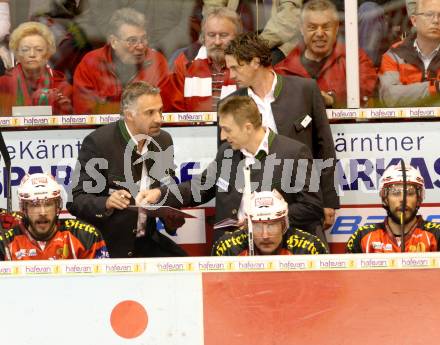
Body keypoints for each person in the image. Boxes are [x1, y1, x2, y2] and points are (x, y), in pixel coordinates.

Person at [136, 95, 324, 241]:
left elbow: (312, 207)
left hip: (278, 248)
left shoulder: (294, 152)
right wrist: (160, 194)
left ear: (248, 127)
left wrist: (265, 219)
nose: (223, 136)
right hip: (232, 248)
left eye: (227, 129)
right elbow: (199, 187)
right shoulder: (227, 152)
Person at [224, 32, 338, 246]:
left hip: (301, 206)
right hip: (255, 219)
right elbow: (227, 162)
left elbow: (324, 147)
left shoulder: (305, 89)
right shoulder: (230, 103)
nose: (231, 75)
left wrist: (328, 201)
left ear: (255, 62)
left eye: (235, 67)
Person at [67, 81, 187, 258]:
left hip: (147, 240)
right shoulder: (99, 143)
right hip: (108, 243)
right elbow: (76, 200)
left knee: (184, 269)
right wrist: (106, 203)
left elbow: (167, 188)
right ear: (129, 115)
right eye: (150, 113)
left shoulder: (163, 141)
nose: (159, 119)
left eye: (160, 110)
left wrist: (169, 218)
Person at [275, 0, 378, 107]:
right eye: (312, 27)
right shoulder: (283, 71)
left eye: (326, 27)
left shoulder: (356, 60)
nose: (319, 33)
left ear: (336, 28)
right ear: (301, 29)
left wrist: (333, 98)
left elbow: (366, 91)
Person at [72, 7, 170, 114]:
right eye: (132, 40)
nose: (141, 46)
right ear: (114, 42)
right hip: (102, 129)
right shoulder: (90, 63)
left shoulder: (157, 62)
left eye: (144, 39)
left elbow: (164, 109)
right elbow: (84, 112)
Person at [0, 173, 109, 261]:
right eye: (35, 205)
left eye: (48, 204)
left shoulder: (86, 236)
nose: (42, 212)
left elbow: (101, 283)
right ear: (24, 209)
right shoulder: (5, 242)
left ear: (57, 206)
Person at [346, 163, 440, 253]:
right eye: (395, 193)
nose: (402, 199)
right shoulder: (363, 236)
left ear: (419, 198)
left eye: (410, 193)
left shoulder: (436, 234)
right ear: (385, 198)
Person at [165, 7, 241, 112]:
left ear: (236, 37)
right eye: (211, 35)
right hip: (192, 128)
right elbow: (174, 113)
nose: (217, 42)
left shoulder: (247, 65)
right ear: (203, 37)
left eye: (223, 35)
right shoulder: (185, 61)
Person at [212, 190, 328, 256]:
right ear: (247, 227)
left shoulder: (309, 247)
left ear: (284, 225)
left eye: (272, 225)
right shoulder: (227, 247)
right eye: (257, 227)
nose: (265, 235)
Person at [0, 21, 73, 116]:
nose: (32, 55)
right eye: (25, 50)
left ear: (48, 53)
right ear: (17, 53)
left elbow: (69, 126)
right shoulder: (3, 85)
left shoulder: (62, 88)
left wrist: (65, 110)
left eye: (39, 49)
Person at [379, 0, 440, 107]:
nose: (436, 20)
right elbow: (390, 97)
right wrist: (435, 88)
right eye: (429, 14)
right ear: (414, 20)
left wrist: (410, 94)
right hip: (404, 123)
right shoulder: (394, 55)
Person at [202, 0, 303, 62]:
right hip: (231, 37)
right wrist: (216, 26)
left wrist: (255, 46)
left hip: (276, 43)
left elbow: (289, 16)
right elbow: (213, 5)